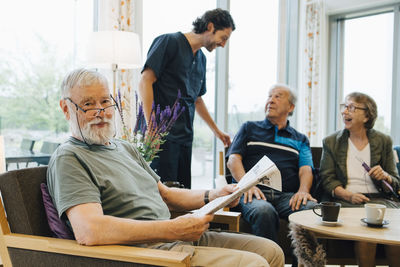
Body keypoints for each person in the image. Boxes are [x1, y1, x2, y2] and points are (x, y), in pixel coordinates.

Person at [47, 68, 284, 267]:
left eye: (105, 102)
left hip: (176, 240)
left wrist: (213, 195)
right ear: (66, 109)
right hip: (142, 253)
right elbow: (90, 230)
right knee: (255, 264)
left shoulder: (124, 148)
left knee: (271, 251)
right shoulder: (70, 158)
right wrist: (171, 230)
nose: (101, 113)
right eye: (88, 104)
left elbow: (167, 195)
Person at [139, 8, 234, 188]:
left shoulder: (202, 59)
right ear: (210, 26)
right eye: (224, 38)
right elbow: (145, 81)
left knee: (182, 193)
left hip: (184, 138)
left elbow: (197, 99)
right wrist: (151, 126)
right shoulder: (169, 42)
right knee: (162, 195)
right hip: (161, 137)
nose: (223, 45)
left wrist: (216, 131)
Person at [227, 84, 317, 243]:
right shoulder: (249, 128)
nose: (271, 100)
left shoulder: (300, 139)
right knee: (264, 211)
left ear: (290, 107)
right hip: (251, 192)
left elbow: (306, 169)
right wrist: (246, 184)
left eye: (278, 96)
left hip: (286, 197)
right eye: (269, 96)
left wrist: (303, 190)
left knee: (311, 210)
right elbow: (233, 160)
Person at [320, 92, 400, 267]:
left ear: (367, 115)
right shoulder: (331, 142)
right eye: (344, 107)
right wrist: (348, 195)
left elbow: (395, 181)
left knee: (396, 234)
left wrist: (385, 176)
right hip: (349, 201)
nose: (345, 112)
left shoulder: (384, 140)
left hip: (381, 200)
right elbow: (327, 179)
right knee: (367, 233)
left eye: (351, 108)